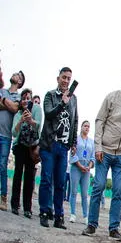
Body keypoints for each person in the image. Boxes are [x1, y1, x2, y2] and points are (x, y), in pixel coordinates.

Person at [82, 70, 121, 240]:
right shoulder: (112, 98)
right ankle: (92, 224)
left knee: (119, 192)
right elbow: (99, 121)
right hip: (105, 151)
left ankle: (113, 228)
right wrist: (98, 147)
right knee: (99, 186)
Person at [39, 67, 78, 229]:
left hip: (63, 146)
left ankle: (59, 215)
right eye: (64, 77)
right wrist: (62, 102)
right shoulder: (50, 95)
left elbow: (75, 120)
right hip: (49, 143)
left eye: (69, 78)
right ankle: (44, 212)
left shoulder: (74, 98)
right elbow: (48, 114)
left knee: (61, 182)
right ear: (58, 78)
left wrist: (73, 142)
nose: (66, 81)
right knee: (47, 179)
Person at [10, 88, 41, 218]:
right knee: (17, 174)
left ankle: (27, 208)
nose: (26, 100)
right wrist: (21, 120)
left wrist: (31, 120)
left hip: (31, 147)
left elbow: (39, 125)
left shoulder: (36, 109)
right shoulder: (18, 114)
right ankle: (14, 205)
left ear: (31, 99)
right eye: (23, 98)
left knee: (29, 177)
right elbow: (14, 132)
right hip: (20, 146)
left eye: (28, 98)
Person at [0, 70, 22, 211]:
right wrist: (8, 104)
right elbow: (10, 106)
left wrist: (3, 101)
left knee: (2, 165)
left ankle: (3, 197)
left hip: (6, 136)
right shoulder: (2, 90)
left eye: (17, 75)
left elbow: (15, 108)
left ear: (19, 82)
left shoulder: (19, 96)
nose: (13, 75)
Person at [68, 120, 94, 224]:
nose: (87, 128)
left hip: (86, 169)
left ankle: (85, 216)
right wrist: (79, 165)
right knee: (73, 191)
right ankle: (73, 214)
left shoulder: (91, 142)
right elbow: (73, 154)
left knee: (84, 193)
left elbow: (93, 156)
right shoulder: (76, 140)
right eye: (85, 126)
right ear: (81, 127)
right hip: (76, 167)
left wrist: (89, 166)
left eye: (88, 126)